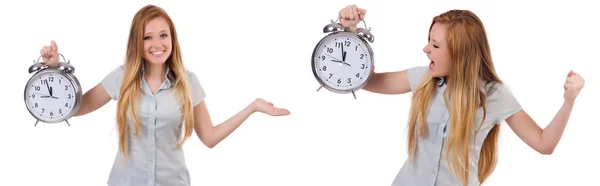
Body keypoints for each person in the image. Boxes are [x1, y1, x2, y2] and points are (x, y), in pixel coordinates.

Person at [39, 4, 291, 186]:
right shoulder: (123, 77)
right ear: (138, 42)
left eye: (163, 35)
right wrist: (54, 71)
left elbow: (210, 137)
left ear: (172, 38)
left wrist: (253, 107)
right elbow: (78, 106)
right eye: (147, 37)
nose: (157, 44)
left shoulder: (188, 82)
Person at [337, 4, 585, 186]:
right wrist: (350, 34)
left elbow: (544, 144)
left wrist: (569, 101)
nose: (426, 49)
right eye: (428, 41)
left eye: (435, 45)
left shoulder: (494, 94)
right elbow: (364, 81)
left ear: (460, 54)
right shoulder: (422, 78)